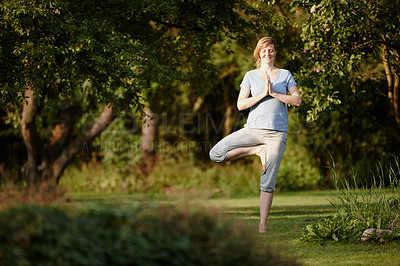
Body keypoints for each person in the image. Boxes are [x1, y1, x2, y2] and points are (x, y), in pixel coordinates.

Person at [209, 37, 301, 233]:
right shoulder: (250, 76)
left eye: (271, 50)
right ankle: (257, 150)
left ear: (275, 53)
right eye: (264, 50)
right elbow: (240, 104)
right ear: (258, 53)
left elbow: (297, 100)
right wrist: (263, 94)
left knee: (268, 181)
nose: (267, 53)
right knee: (216, 154)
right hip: (252, 130)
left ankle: (262, 225)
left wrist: (275, 93)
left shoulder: (285, 75)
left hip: (276, 135)